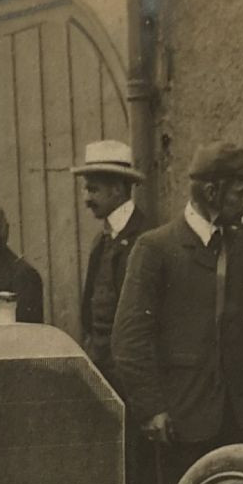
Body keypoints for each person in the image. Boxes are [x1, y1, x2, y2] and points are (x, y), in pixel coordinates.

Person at [111, 142, 243, 484]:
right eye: (241, 194)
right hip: (182, 421)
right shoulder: (156, 248)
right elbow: (129, 340)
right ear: (212, 192)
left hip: (239, 419)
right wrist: (152, 408)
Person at [71, 140, 150, 379]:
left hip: (131, 373)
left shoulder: (145, 239)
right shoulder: (102, 241)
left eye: (92, 189)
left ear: (116, 188)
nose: (85, 199)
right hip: (102, 369)